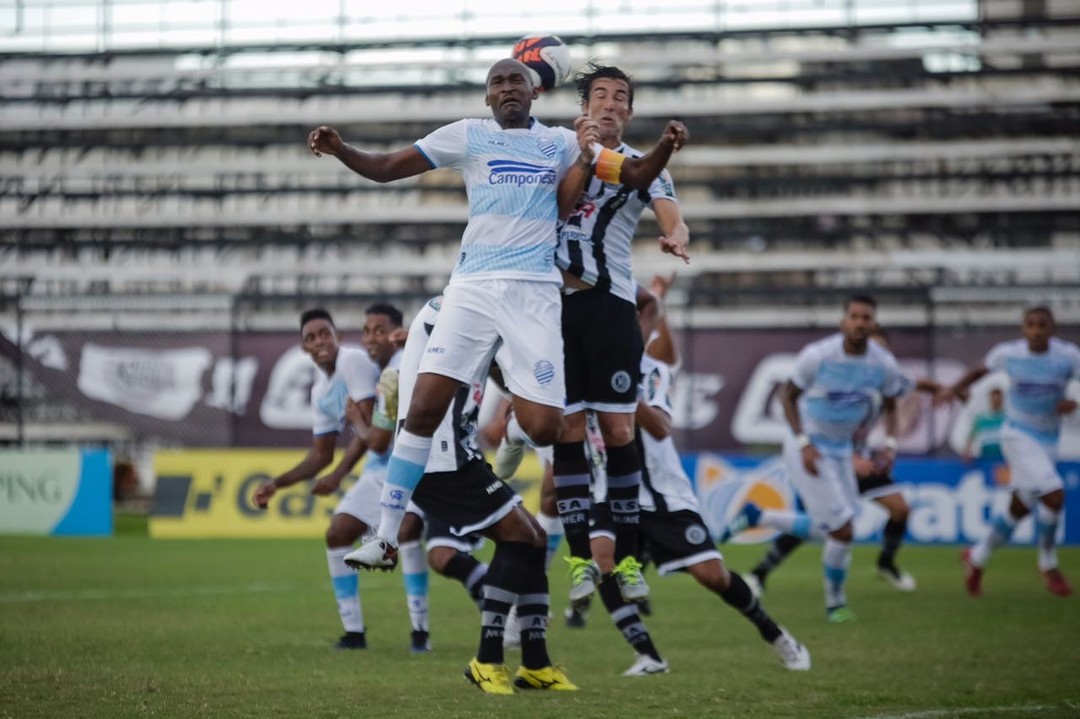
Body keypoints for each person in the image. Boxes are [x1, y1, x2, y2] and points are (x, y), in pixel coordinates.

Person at [306, 57, 687, 570]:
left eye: (516, 81)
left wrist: (660, 147)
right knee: (422, 408)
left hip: (534, 295)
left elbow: (635, 173)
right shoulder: (468, 135)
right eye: (497, 82)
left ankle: (512, 430)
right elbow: (387, 167)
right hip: (472, 289)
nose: (507, 88)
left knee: (547, 427)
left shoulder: (561, 143)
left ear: (534, 92)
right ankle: (387, 536)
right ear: (487, 97)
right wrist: (341, 150)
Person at [496, 62, 692, 607]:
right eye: (600, 95)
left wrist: (676, 236)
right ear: (584, 107)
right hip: (550, 306)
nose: (609, 103)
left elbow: (670, 212)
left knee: (620, 431)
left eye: (619, 96)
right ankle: (580, 557)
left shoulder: (644, 164)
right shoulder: (560, 151)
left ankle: (626, 561)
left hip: (610, 306)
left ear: (629, 110)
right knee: (567, 431)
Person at [393, 296, 579, 694]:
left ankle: (536, 664)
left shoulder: (479, 313)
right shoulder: (454, 308)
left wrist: (518, 397)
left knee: (535, 537)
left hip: (459, 453)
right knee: (520, 537)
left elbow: (499, 368)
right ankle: (487, 659)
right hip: (439, 457)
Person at [635, 274, 810, 672]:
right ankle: (646, 657)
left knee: (712, 576)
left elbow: (660, 424)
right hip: (615, 493)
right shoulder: (586, 367)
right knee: (603, 571)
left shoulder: (651, 370)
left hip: (663, 495)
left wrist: (657, 302)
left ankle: (777, 636)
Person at [739, 324, 935, 595]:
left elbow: (913, 383)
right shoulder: (836, 377)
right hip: (828, 460)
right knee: (818, 525)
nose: (873, 352)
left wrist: (946, 389)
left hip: (862, 463)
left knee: (899, 509)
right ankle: (760, 569)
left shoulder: (884, 377)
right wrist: (848, 457)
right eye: (871, 345)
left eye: (881, 348)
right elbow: (812, 418)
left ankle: (886, 563)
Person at [251, 308, 383, 650]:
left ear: (338, 336)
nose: (320, 341)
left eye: (325, 333)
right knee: (337, 534)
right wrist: (276, 485)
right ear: (304, 348)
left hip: (406, 457)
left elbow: (368, 427)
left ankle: (423, 633)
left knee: (429, 543)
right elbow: (320, 455)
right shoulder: (320, 392)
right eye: (311, 337)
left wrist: (338, 475)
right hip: (380, 465)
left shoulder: (353, 361)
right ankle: (354, 633)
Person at [942, 306, 1080, 598]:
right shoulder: (1009, 354)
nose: (1037, 331)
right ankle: (1048, 563)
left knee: (1020, 508)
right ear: (1023, 329)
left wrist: (1074, 403)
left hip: (1048, 440)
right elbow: (978, 370)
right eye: (1031, 325)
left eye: (1042, 325)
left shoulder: (1068, 356)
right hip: (1016, 434)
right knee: (1054, 495)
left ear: (1053, 329)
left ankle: (976, 557)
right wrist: (952, 389)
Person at [963, 387, 1006, 463]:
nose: (996, 402)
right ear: (990, 400)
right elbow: (971, 436)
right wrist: (967, 451)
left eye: (998, 400)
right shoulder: (982, 419)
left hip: (1003, 458)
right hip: (986, 457)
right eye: (994, 399)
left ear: (1002, 400)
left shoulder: (1007, 419)